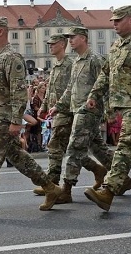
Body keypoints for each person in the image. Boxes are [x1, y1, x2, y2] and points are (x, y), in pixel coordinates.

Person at [0, 17, 62, 221]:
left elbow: (19, 92)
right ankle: (50, 187)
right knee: (17, 156)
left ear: (1, 31)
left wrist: (16, 121)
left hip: (4, 117)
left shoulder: (12, 58)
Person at [84, 5, 131, 212]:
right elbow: (106, 73)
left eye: (118, 20)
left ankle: (108, 191)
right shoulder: (116, 46)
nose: (114, 24)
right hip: (122, 105)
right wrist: (94, 94)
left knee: (125, 146)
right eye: (113, 21)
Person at [54, 26, 112, 204]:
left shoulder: (95, 59)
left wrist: (108, 110)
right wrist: (58, 106)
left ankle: (66, 189)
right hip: (76, 110)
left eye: (73, 37)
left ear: (84, 38)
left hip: (89, 111)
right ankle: (121, 178)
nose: (70, 40)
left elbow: (106, 84)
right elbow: (70, 88)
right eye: (69, 38)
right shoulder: (77, 61)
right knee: (98, 148)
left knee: (74, 148)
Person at [36, 34, 73, 194]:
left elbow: (71, 89)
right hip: (55, 112)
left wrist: (58, 106)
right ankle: (100, 170)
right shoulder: (56, 65)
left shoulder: (70, 64)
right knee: (77, 149)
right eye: (49, 44)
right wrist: (43, 106)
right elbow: (50, 89)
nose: (50, 46)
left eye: (53, 43)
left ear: (63, 45)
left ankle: (52, 184)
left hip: (65, 111)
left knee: (55, 146)